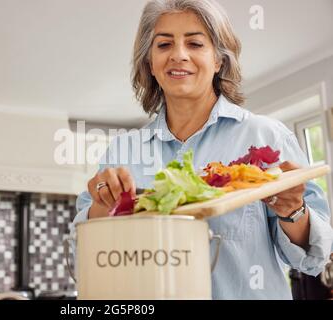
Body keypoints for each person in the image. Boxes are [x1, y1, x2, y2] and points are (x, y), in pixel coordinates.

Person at [71, 0, 333, 299]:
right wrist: (102, 210)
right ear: (150, 63)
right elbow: (86, 263)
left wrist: (293, 211)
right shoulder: (122, 152)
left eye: (195, 43)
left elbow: (316, 256)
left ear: (219, 60)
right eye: (164, 44)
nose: (179, 55)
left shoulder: (265, 135)